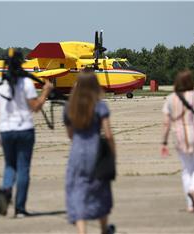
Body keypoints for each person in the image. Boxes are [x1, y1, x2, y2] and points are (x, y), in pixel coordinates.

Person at [0, 60, 53, 218]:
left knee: (9, 165)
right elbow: (36, 107)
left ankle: (5, 193)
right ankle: (20, 209)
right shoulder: (27, 83)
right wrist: (46, 92)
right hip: (25, 130)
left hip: (6, 131)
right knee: (23, 168)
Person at [63, 71, 115, 234]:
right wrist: (112, 153)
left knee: (77, 190)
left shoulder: (69, 106)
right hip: (96, 152)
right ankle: (103, 228)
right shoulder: (100, 105)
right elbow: (108, 134)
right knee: (100, 188)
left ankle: (81, 231)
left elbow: (70, 134)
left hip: (77, 152)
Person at [161, 70, 194, 212]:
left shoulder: (171, 98)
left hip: (179, 137)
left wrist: (164, 142)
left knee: (187, 170)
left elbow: (166, 123)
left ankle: (191, 205)